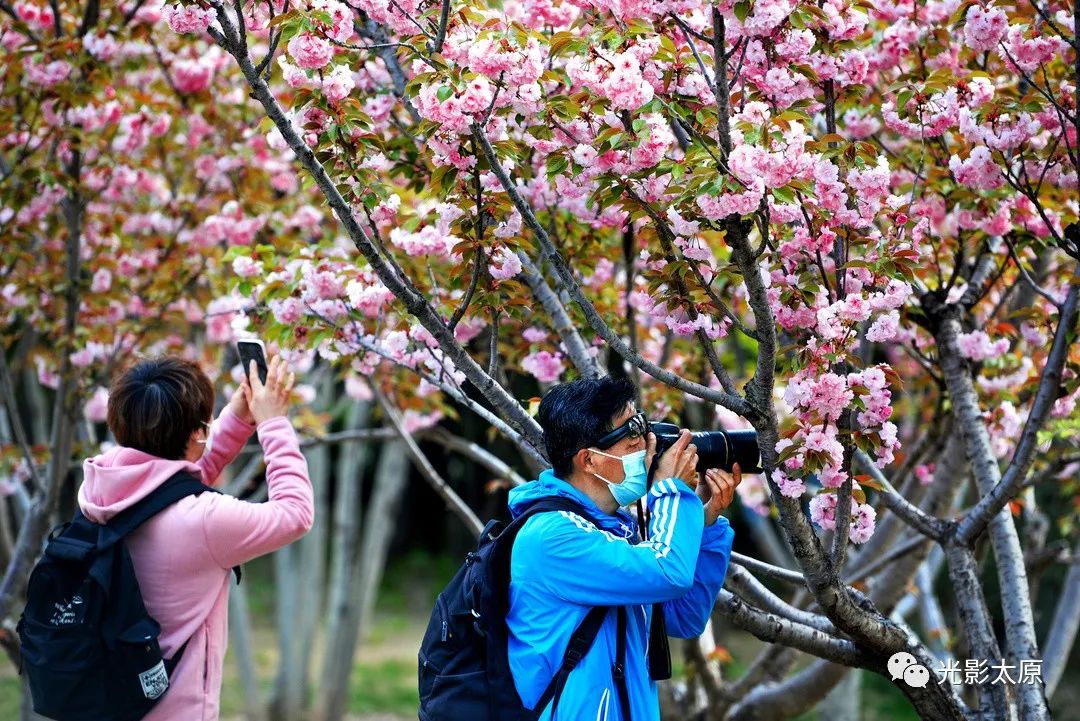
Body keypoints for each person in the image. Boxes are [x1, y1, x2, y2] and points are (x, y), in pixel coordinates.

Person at [78, 354, 314, 721]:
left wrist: (235, 420)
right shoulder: (203, 519)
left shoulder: (102, 492)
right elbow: (295, 514)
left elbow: (168, 482)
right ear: (197, 433)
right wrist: (274, 424)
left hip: (106, 701)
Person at [507, 376, 740, 721]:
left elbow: (683, 616)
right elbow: (667, 572)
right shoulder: (552, 536)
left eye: (643, 428)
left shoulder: (617, 528)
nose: (645, 446)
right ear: (588, 460)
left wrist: (702, 525)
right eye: (630, 435)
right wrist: (671, 490)